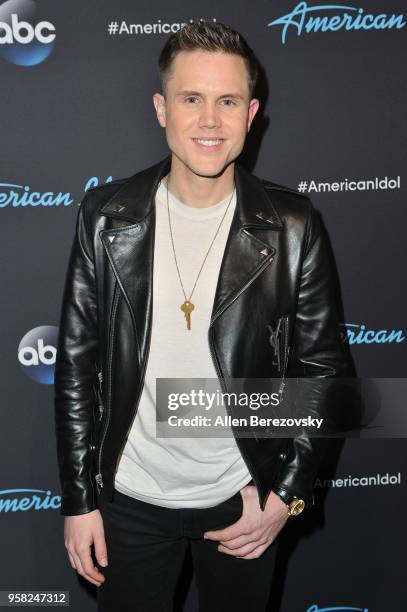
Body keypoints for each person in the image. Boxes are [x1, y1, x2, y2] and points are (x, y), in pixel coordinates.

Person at [54, 20, 351, 612]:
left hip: (242, 503)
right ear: (162, 108)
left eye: (227, 101)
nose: (210, 121)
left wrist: (285, 496)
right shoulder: (107, 217)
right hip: (128, 503)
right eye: (192, 99)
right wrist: (80, 500)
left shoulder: (293, 227)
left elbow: (325, 376)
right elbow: (77, 368)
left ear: (251, 112)